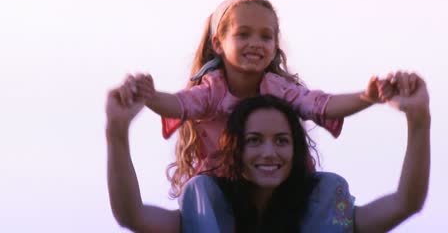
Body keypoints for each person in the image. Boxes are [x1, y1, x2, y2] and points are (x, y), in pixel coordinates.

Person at [122, 0, 395, 197]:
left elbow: (321, 105)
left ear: (275, 45)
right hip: (225, 189)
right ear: (218, 43)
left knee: (331, 186)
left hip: (276, 185)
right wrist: (149, 96)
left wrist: (367, 97)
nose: (255, 43)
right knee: (198, 189)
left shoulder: (278, 88)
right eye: (243, 34)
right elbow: (179, 104)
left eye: (266, 37)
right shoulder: (212, 90)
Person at [106, 72, 429, 232]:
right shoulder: (205, 210)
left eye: (282, 140)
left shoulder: (324, 203)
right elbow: (131, 215)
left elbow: (406, 202)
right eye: (254, 140)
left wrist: (418, 120)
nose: (269, 152)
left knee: (329, 185)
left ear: (296, 148)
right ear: (234, 149)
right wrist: (117, 132)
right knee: (200, 188)